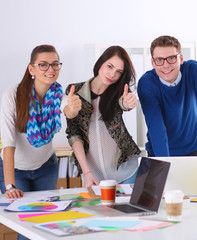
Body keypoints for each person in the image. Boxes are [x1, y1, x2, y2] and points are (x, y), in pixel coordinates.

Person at [137, 35, 197, 175]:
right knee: (161, 195)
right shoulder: (147, 83)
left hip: (192, 150)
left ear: (181, 59)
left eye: (171, 58)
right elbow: (156, 128)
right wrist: (164, 166)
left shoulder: (191, 69)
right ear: (153, 63)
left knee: (192, 195)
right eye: (159, 60)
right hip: (159, 151)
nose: (166, 65)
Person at [64, 46, 141, 188]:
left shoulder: (120, 92)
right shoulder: (75, 91)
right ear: (101, 63)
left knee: (130, 210)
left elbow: (124, 103)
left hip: (128, 174)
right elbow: (74, 134)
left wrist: (128, 102)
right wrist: (86, 173)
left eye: (119, 72)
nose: (112, 74)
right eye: (109, 66)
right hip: (93, 177)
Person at [0, 45, 63, 200]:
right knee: (20, 216)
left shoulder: (58, 94)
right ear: (31, 69)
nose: (51, 69)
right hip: (15, 168)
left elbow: (68, 106)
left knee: (46, 213)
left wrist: (72, 109)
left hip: (47, 166)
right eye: (43, 65)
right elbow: (8, 143)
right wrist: (10, 186)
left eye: (55, 64)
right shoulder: (12, 96)